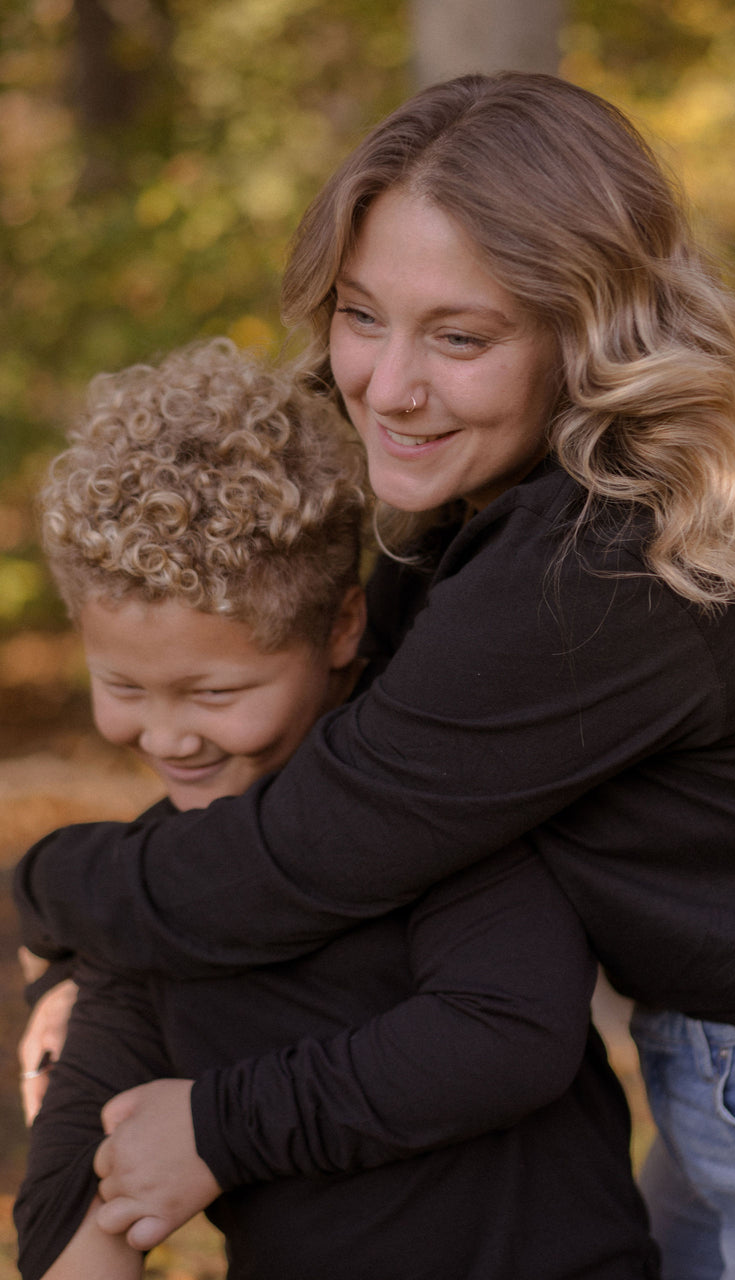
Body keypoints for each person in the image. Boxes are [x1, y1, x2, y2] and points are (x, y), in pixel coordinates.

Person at [15, 70, 735, 1279]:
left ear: (589, 331)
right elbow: (284, 800)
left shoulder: (600, 574)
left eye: (460, 335)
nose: (388, 385)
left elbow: (294, 858)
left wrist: (40, 894)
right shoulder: (525, 509)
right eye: (360, 312)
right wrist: (103, 968)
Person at [14, 336, 659, 1280]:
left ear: (343, 628)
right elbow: (77, 1191)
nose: (167, 737)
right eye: (123, 686)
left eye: (215, 693)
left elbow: (510, 1035)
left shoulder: (431, 806)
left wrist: (216, 1130)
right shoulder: (153, 893)